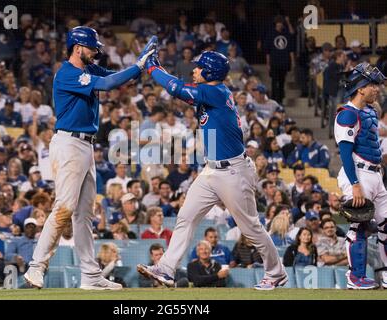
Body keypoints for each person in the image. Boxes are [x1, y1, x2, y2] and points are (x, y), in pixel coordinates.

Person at [137, 49, 286, 290]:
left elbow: (175, 88)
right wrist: (156, 65)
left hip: (233, 171)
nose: (194, 70)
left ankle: (276, 272)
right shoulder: (212, 91)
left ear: (210, 71)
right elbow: (178, 86)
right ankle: (166, 268)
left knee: (250, 227)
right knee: (186, 216)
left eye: (198, 67)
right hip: (212, 170)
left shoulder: (214, 91)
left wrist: (152, 68)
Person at [24, 27, 157, 290]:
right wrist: (139, 64)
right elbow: (108, 84)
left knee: (84, 214)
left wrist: (141, 66)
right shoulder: (68, 73)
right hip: (68, 143)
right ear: (77, 48)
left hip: (85, 146)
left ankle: (90, 276)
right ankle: (36, 267)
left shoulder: (89, 70)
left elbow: (117, 78)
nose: (96, 52)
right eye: (92, 48)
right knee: (64, 208)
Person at [334, 62, 387, 289]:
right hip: (357, 173)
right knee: (359, 225)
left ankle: (385, 275)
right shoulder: (346, 115)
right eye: (373, 84)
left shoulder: (370, 111)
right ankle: (355, 278)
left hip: (375, 175)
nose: (378, 88)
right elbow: (345, 154)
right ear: (361, 87)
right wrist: (355, 184)